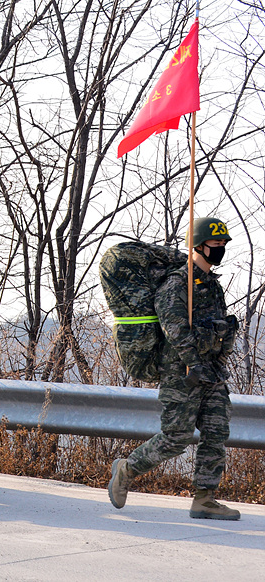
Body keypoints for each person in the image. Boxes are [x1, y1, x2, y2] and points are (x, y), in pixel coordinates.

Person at [108, 216, 240, 520]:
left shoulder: (211, 285)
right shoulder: (177, 283)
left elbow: (220, 328)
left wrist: (217, 360)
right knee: (176, 437)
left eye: (222, 244)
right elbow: (174, 328)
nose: (220, 249)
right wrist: (194, 363)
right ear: (198, 245)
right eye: (215, 243)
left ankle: (204, 499)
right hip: (181, 371)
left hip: (212, 371)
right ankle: (127, 469)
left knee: (216, 432)